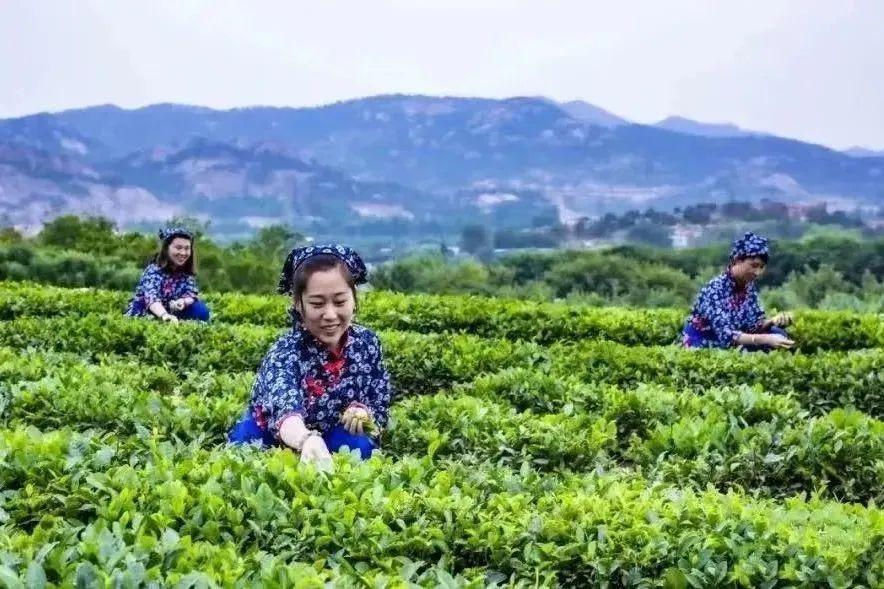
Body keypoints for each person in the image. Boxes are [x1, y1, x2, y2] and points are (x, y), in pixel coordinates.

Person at [228, 244, 392, 467]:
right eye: (317, 304)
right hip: (273, 434)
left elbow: (378, 402)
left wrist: (363, 414)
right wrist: (306, 439)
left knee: (360, 449)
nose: (330, 315)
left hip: (332, 435)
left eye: (340, 301)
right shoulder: (285, 351)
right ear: (299, 304)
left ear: (354, 300)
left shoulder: (367, 344)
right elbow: (285, 407)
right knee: (242, 456)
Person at [682, 231, 794, 351]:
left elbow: (753, 326)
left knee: (777, 332)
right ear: (737, 261)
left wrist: (773, 321)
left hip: (735, 341)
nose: (758, 272)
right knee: (765, 341)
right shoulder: (715, 289)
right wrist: (766, 339)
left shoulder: (748, 287)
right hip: (707, 343)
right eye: (754, 265)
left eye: (761, 267)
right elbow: (727, 335)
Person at [125, 227, 210, 323]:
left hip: (171, 310)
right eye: (178, 248)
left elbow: (191, 293)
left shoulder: (185, 272)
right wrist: (164, 315)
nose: (183, 253)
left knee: (201, 311)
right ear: (166, 249)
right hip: (149, 309)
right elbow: (151, 297)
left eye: (187, 248)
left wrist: (182, 302)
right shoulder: (154, 270)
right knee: (149, 320)